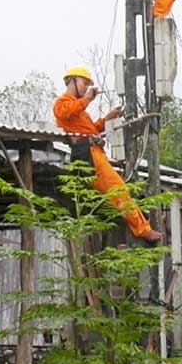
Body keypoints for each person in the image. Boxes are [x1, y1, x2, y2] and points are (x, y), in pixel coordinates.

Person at [53, 66, 161, 243]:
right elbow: (64, 112)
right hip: (87, 153)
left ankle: (140, 219)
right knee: (117, 190)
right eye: (84, 83)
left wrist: (107, 118)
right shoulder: (63, 103)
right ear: (71, 81)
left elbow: (92, 130)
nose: (86, 87)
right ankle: (142, 229)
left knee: (119, 189)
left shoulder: (80, 112)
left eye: (88, 84)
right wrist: (87, 99)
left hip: (96, 151)